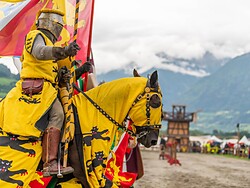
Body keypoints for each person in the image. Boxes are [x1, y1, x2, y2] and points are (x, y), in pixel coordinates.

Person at [20, 9, 90, 177]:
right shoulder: (35, 35)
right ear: (53, 25)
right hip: (36, 87)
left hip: (48, 88)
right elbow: (39, 52)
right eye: (59, 27)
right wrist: (64, 51)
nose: (59, 32)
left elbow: (52, 73)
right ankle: (50, 163)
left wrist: (75, 71)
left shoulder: (51, 46)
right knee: (58, 114)